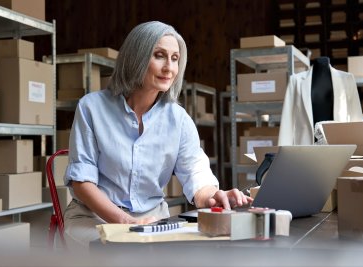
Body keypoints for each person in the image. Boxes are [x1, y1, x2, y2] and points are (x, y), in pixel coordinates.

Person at [63, 21, 252, 248]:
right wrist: (128, 223)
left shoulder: (179, 119)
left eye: (175, 59)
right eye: (159, 55)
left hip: (153, 219)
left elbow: (195, 171)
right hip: (93, 218)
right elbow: (82, 183)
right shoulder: (92, 107)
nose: (169, 68)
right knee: (119, 253)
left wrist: (214, 197)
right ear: (137, 57)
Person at [278, 56, 363, 145]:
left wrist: (359, 149)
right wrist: (283, 152)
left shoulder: (347, 79)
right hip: (305, 148)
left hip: (340, 146)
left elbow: (355, 116)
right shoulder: (296, 81)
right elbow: (287, 119)